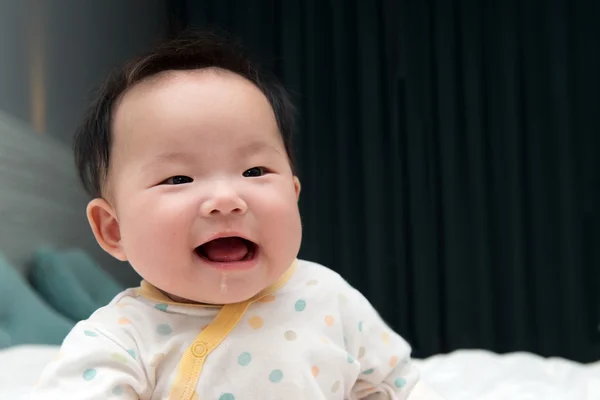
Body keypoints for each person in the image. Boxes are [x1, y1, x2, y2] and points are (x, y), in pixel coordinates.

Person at [32, 32, 441, 400]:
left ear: (294, 195)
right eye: (178, 178)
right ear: (114, 230)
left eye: (254, 172)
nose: (226, 200)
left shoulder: (329, 298)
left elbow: (397, 385)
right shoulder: (119, 339)